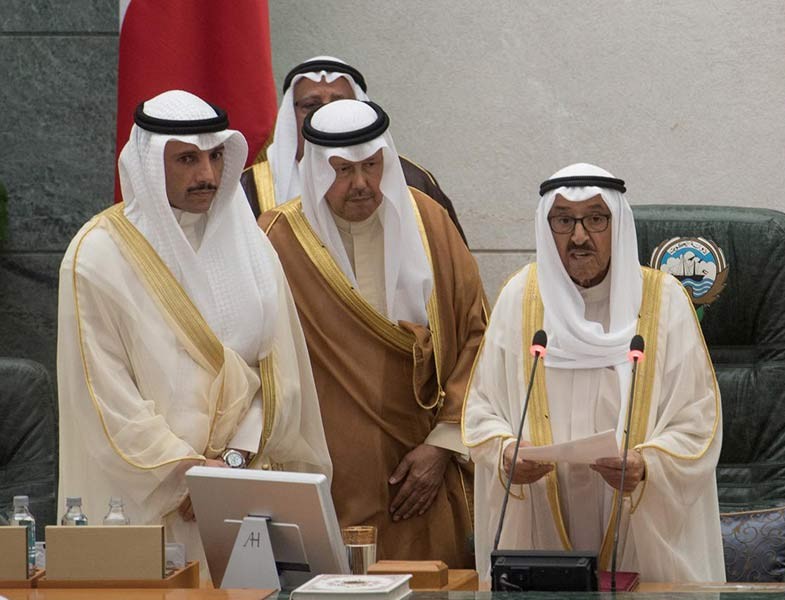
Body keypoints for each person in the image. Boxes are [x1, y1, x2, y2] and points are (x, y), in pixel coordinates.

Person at [57, 90, 331, 570]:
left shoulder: (251, 248)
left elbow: (278, 373)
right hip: (150, 502)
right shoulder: (98, 256)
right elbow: (105, 396)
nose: (207, 174)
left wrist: (231, 466)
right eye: (186, 159)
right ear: (147, 163)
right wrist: (188, 476)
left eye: (215, 156)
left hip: (242, 495)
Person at [463, 163, 725, 582]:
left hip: (638, 528)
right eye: (564, 220)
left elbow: (698, 423)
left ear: (617, 225)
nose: (580, 236)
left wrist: (648, 465)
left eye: (596, 219)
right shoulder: (521, 298)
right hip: (541, 518)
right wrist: (505, 453)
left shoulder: (663, 301)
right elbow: (480, 413)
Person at [259, 99, 486, 567]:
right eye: (342, 170)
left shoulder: (429, 224)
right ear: (318, 170)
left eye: (372, 166)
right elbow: (252, 360)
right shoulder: (277, 240)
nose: (361, 184)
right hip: (326, 480)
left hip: (422, 479)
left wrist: (444, 445)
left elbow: (478, 335)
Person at [242, 55, 467, 243]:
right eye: (311, 106)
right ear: (290, 116)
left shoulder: (413, 180)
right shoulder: (250, 186)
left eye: (340, 104)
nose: (325, 114)